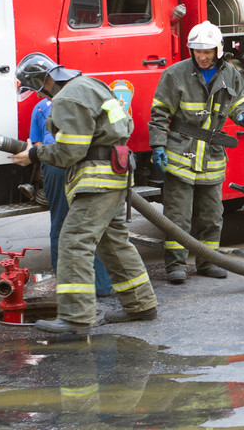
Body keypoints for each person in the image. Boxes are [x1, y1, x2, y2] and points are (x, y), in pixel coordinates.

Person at [11, 52, 157, 335]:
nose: (39, 94)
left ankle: (76, 316)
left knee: (73, 241)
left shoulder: (66, 99)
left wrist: (34, 153)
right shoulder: (91, 84)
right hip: (116, 172)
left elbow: (70, 152)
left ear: (44, 80)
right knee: (113, 242)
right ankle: (141, 304)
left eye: (37, 88)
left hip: (96, 179)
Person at [148, 21, 244, 284]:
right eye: (197, 51)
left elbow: (240, 100)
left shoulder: (230, 73)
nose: (202, 56)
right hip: (180, 151)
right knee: (178, 215)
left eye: (207, 51)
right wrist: (158, 145)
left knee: (211, 215)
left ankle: (208, 262)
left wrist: (243, 114)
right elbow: (159, 113)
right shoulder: (175, 74)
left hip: (212, 153)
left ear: (218, 50)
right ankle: (176, 266)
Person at [30, 97, 113, 297]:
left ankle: (69, 291)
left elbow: (39, 147)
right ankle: (101, 286)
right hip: (90, 163)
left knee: (61, 224)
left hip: (56, 166)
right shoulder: (86, 99)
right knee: (92, 226)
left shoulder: (41, 107)